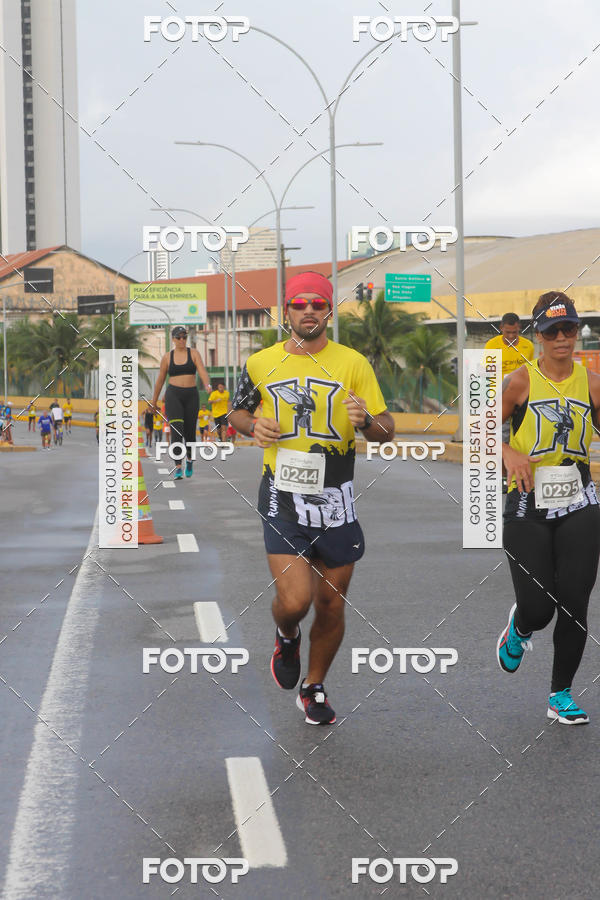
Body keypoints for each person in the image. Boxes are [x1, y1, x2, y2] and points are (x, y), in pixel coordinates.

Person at [229, 271, 395, 725]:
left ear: (328, 312)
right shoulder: (261, 363)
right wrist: (252, 426)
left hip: (336, 497)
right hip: (282, 494)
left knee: (331, 603)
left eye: (317, 304)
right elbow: (238, 411)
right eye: (299, 304)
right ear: (287, 311)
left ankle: (315, 686)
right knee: (297, 600)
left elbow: (386, 430)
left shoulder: (353, 363)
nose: (308, 311)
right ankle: (286, 634)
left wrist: (365, 422)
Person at [497, 292, 600, 725]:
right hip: (527, 503)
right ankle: (520, 627)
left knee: (575, 601)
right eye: (552, 331)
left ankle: (560, 694)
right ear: (537, 335)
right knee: (540, 609)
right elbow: (479, 433)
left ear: (578, 332)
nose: (562, 338)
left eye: (569, 329)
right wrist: (508, 453)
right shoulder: (519, 382)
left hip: (579, 500)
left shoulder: (592, 382)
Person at [151, 326, 211, 480]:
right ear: (173, 339)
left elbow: (202, 371)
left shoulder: (194, 353)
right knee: (176, 430)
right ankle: (178, 466)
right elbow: (160, 381)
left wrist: (207, 385)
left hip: (191, 395)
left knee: (190, 432)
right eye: (179, 337)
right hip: (173, 395)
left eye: (185, 337)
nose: (182, 340)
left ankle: (189, 460)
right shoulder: (167, 357)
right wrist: (153, 401)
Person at [485, 312, 535, 378]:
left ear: (519, 328)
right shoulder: (491, 345)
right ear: (501, 328)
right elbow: (486, 371)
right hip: (499, 387)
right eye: (507, 332)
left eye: (514, 332)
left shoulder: (528, 345)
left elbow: (531, 371)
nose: (511, 336)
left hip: (520, 386)